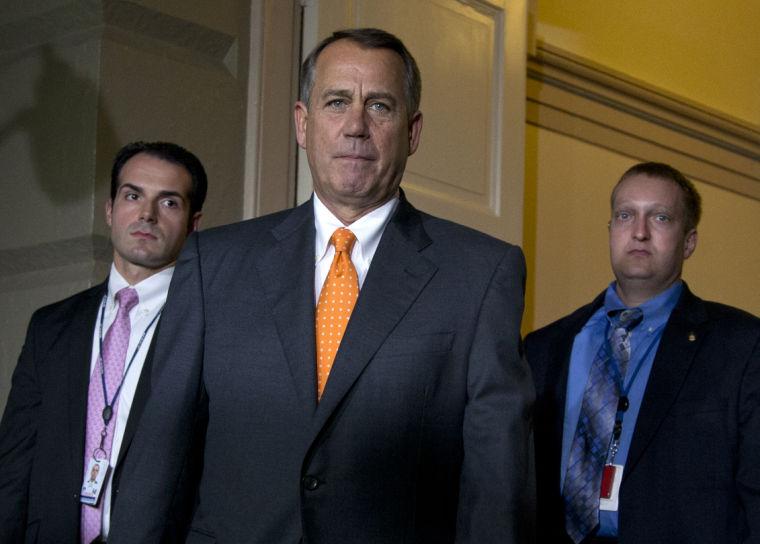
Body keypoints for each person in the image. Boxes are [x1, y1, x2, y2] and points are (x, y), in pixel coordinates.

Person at [109, 28, 534, 543]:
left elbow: (496, 486)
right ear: (302, 124)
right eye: (336, 102)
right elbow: (161, 456)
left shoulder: (480, 274)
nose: (356, 126)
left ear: (413, 131)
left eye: (379, 106)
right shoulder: (212, 263)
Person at [525, 162, 760, 543]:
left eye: (661, 217)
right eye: (624, 215)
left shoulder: (742, 346)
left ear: (689, 241)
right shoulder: (544, 347)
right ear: (610, 230)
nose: (639, 232)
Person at [0, 141, 208, 543]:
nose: (146, 214)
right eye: (133, 196)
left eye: (168, 203)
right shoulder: (51, 327)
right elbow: (13, 467)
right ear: (110, 209)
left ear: (193, 223)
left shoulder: (212, 330)